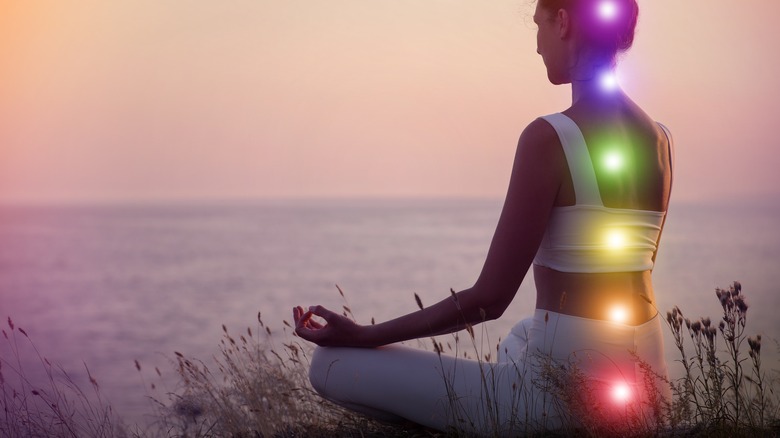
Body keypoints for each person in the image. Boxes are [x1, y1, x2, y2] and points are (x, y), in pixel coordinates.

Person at [293, 0, 673, 433]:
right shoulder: (660, 139)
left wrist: (364, 335)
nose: (536, 45)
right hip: (646, 397)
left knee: (329, 364)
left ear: (562, 21)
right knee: (521, 336)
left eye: (538, 25)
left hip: (564, 403)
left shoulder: (549, 137)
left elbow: (488, 300)